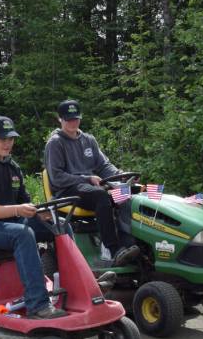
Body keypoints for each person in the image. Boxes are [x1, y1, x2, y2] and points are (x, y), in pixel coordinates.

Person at [0, 116, 66, 320]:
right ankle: (38, 305)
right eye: (2, 139)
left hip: (9, 223)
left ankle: (75, 287)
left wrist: (41, 213)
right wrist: (18, 210)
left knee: (60, 226)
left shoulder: (12, 167)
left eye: (11, 138)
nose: (8, 143)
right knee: (23, 234)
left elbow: (24, 200)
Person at [44, 100, 140, 266]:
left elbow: (104, 166)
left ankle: (129, 244)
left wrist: (121, 176)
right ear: (60, 119)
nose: (73, 122)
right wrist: (86, 178)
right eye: (68, 119)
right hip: (66, 190)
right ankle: (112, 248)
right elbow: (57, 177)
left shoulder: (88, 140)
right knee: (101, 196)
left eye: (76, 118)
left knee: (127, 194)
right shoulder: (55, 143)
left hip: (88, 187)